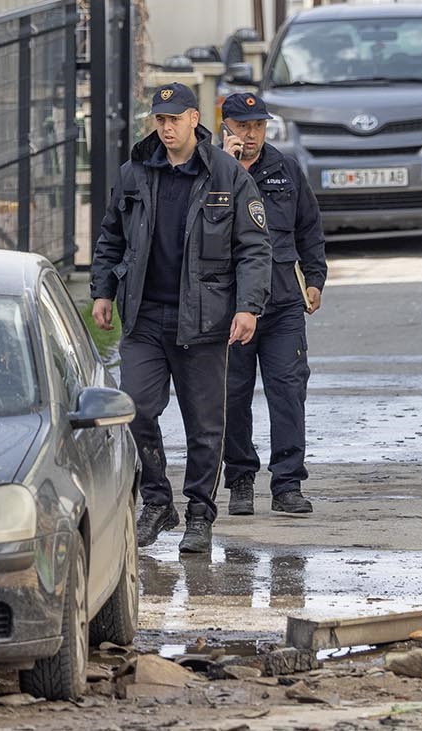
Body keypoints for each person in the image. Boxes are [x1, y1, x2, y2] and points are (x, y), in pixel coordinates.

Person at [91, 82, 272, 557]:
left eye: (174, 118)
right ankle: (157, 501)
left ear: (195, 119)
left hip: (204, 321)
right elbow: (111, 235)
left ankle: (198, 514)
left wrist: (249, 306)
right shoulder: (135, 173)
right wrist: (103, 291)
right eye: (159, 119)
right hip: (145, 317)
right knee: (135, 409)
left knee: (204, 425)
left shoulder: (227, 175)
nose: (165, 127)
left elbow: (254, 248)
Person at [216, 91, 327, 518]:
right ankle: (240, 481)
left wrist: (314, 278)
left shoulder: (285, 169)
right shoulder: (208, 171)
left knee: (287, 391)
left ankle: (287, 485)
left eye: (259, 126)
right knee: (232, 396)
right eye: (243, 126)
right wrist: (225, 169)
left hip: (281, 304)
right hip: (229, 306)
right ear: (225, 126)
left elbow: (309, 228)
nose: (252, 134)